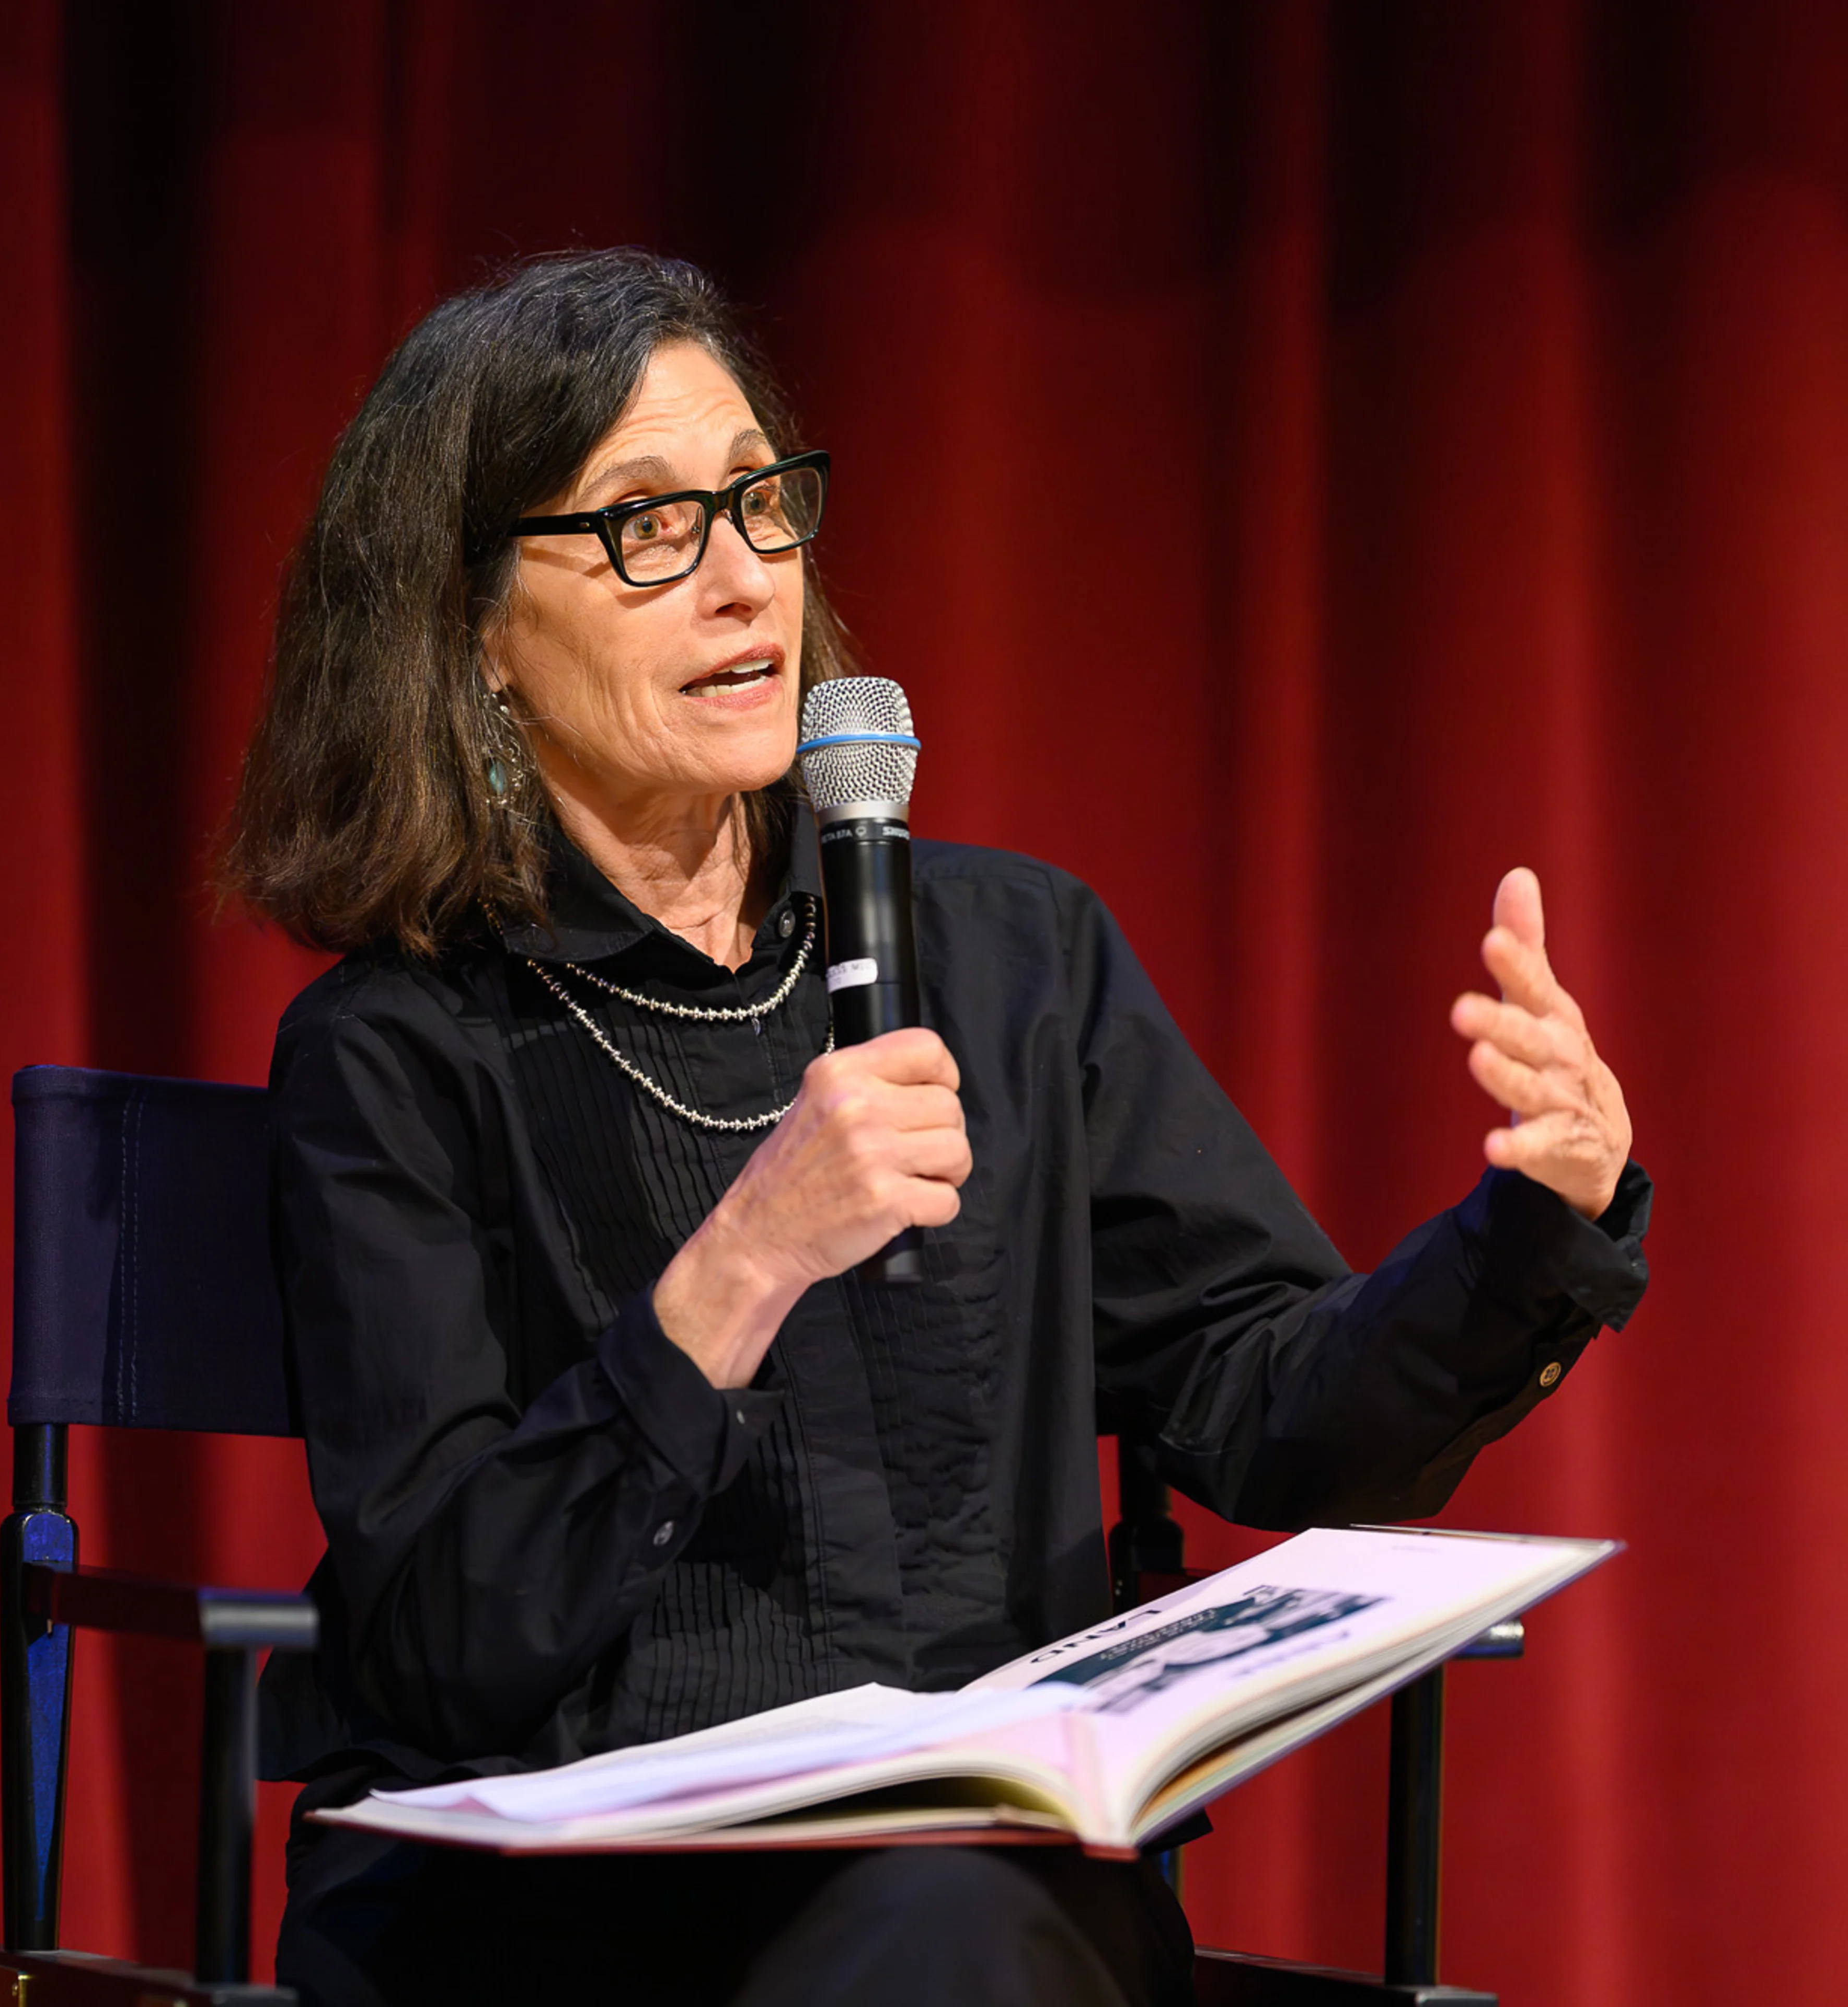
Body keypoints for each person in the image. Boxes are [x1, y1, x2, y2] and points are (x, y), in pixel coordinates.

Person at [225, 249, 1649, 2007]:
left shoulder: (1008, 960)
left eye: (760, 500)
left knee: (970, 1927)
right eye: (646, 527)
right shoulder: (399, 1057)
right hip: (582, 1917)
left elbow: (1272, 1414)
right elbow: (447, 1634)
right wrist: (742, 1264)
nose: (743, 577)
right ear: (475, 636)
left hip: (998, 1888)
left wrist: (1531, 1229)